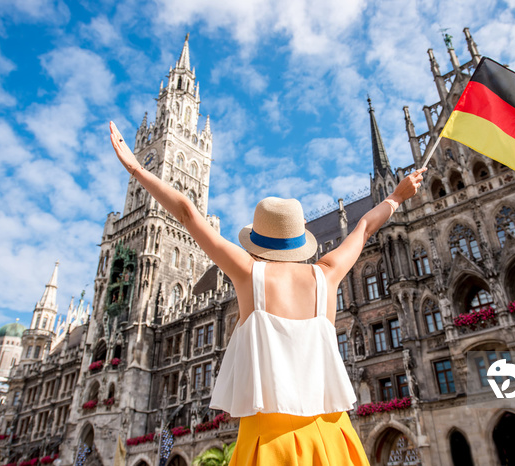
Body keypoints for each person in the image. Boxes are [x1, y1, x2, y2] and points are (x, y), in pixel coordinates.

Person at [109, 121, 426, 465]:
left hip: (267, 442)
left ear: (258, 243)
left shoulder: (249, 275)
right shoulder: (327, 274)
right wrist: (396, 196)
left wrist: (137, 169)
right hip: (332, 436)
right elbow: (364, 228)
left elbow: (188, 213)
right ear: (298, 242)